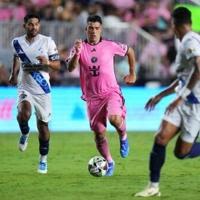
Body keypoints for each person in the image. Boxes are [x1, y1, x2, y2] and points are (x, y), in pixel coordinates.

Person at [135, 7, 200, 197]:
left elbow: (198, 70)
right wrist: (161, 95)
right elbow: (184, 77)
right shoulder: (185, 42)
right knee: (161, 138)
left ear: (175, 24)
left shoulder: (191, 41)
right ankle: (153, 187)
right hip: (180, 101)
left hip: (194, 106)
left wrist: (180, 98)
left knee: (181, 153)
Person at [67, 15, 136, 176]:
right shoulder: (79, 47)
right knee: (99, 134)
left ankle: (123, 136)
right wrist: (76, 54)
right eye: (90, 28)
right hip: (92, 98)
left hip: (111, 92)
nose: (93, 31)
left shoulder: (110, 45)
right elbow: (70, 68)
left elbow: (130, 51)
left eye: (97, 28)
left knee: (115, 119)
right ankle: (109, 162)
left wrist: (132, 73)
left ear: (101, 29)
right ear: (86, 29)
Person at [9, 14, 60, 174]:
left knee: (43, 126)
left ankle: (43, 159)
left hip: (43, 90)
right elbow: (17, 57)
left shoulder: (47, 42)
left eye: (36, 24)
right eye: (30, 24)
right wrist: (13, 73)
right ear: (25, 26)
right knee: (23, 114)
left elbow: (57, 66)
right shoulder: (16, 42)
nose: (34, 27)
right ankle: (24, 132)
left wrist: (48, 63)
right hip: (25, 87)